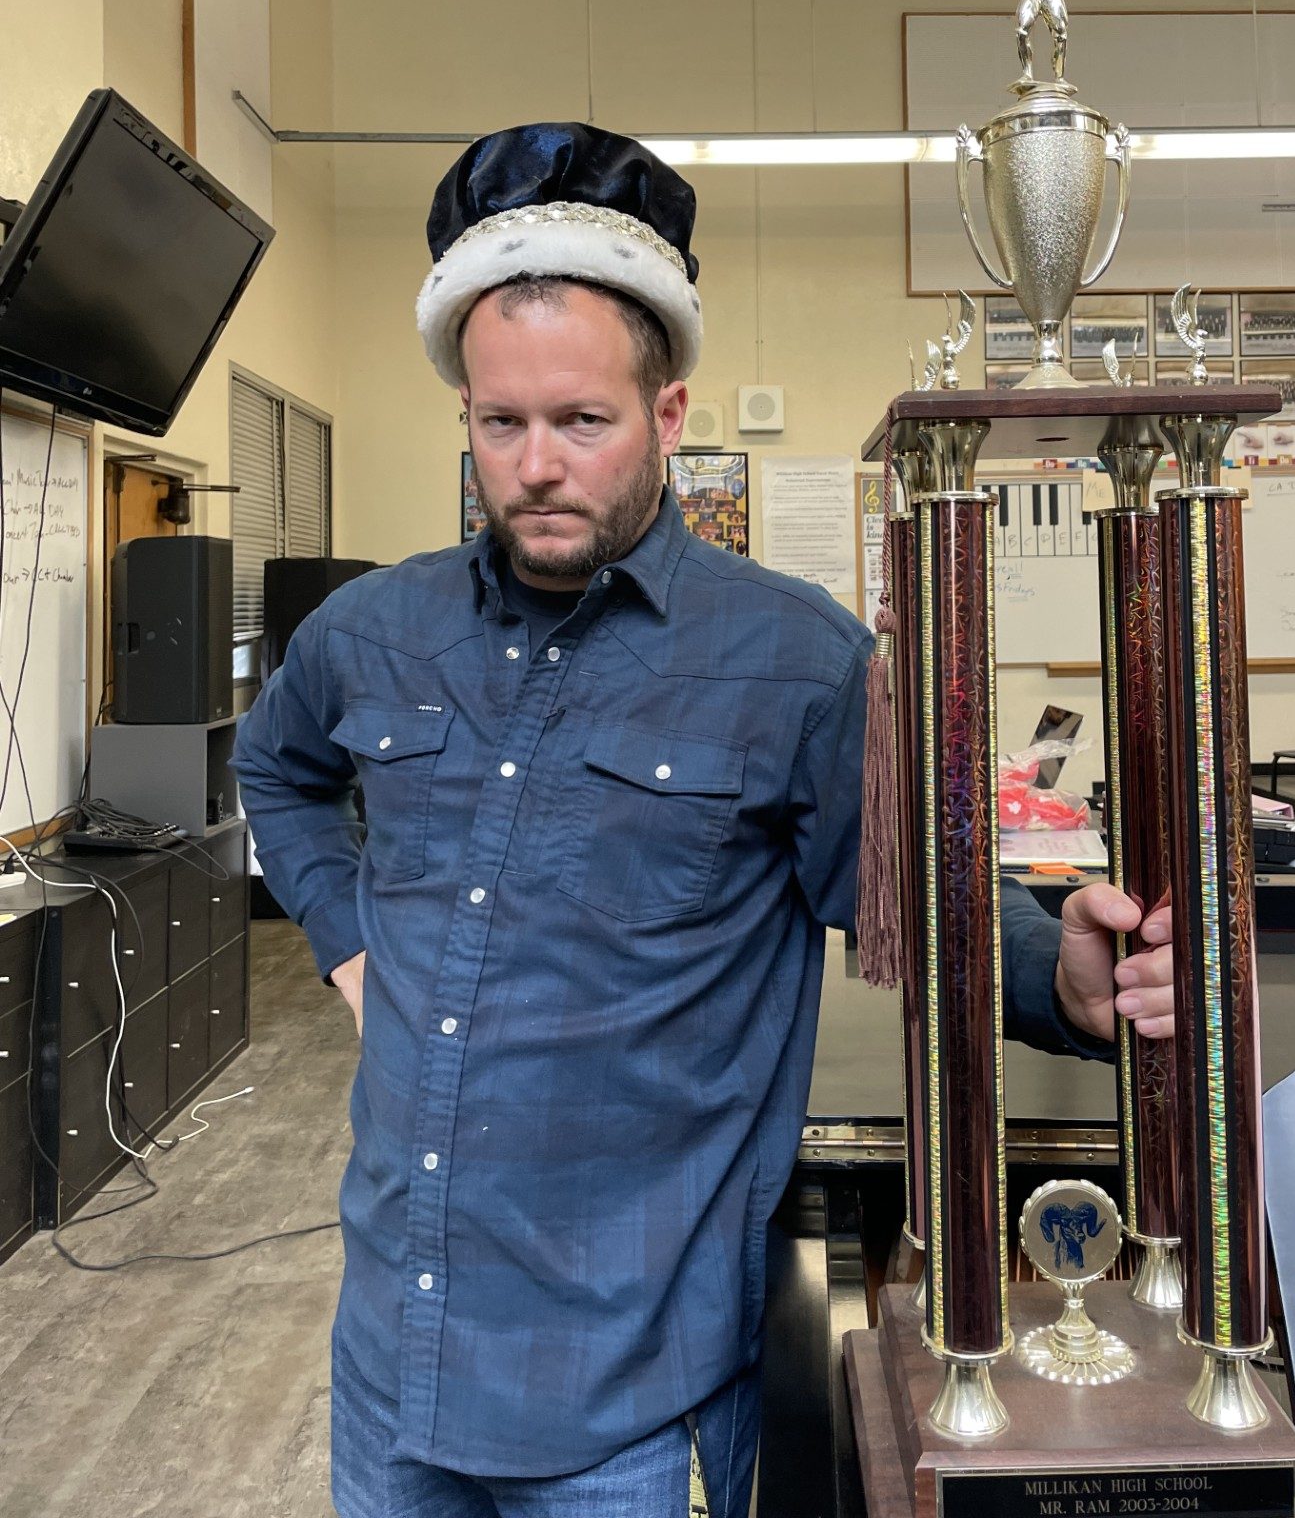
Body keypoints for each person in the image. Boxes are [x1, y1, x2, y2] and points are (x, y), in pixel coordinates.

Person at [232, 123, 1175, 1518]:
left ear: (668, 417)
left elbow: (925, 899)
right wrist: (349, 942)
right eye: (503, 424)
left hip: (628, 1400)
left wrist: (1066, 980)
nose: (538, 464)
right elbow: (276, 770)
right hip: (393, 1373)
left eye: (582, 422)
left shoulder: (797, 664)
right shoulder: (372, 633)